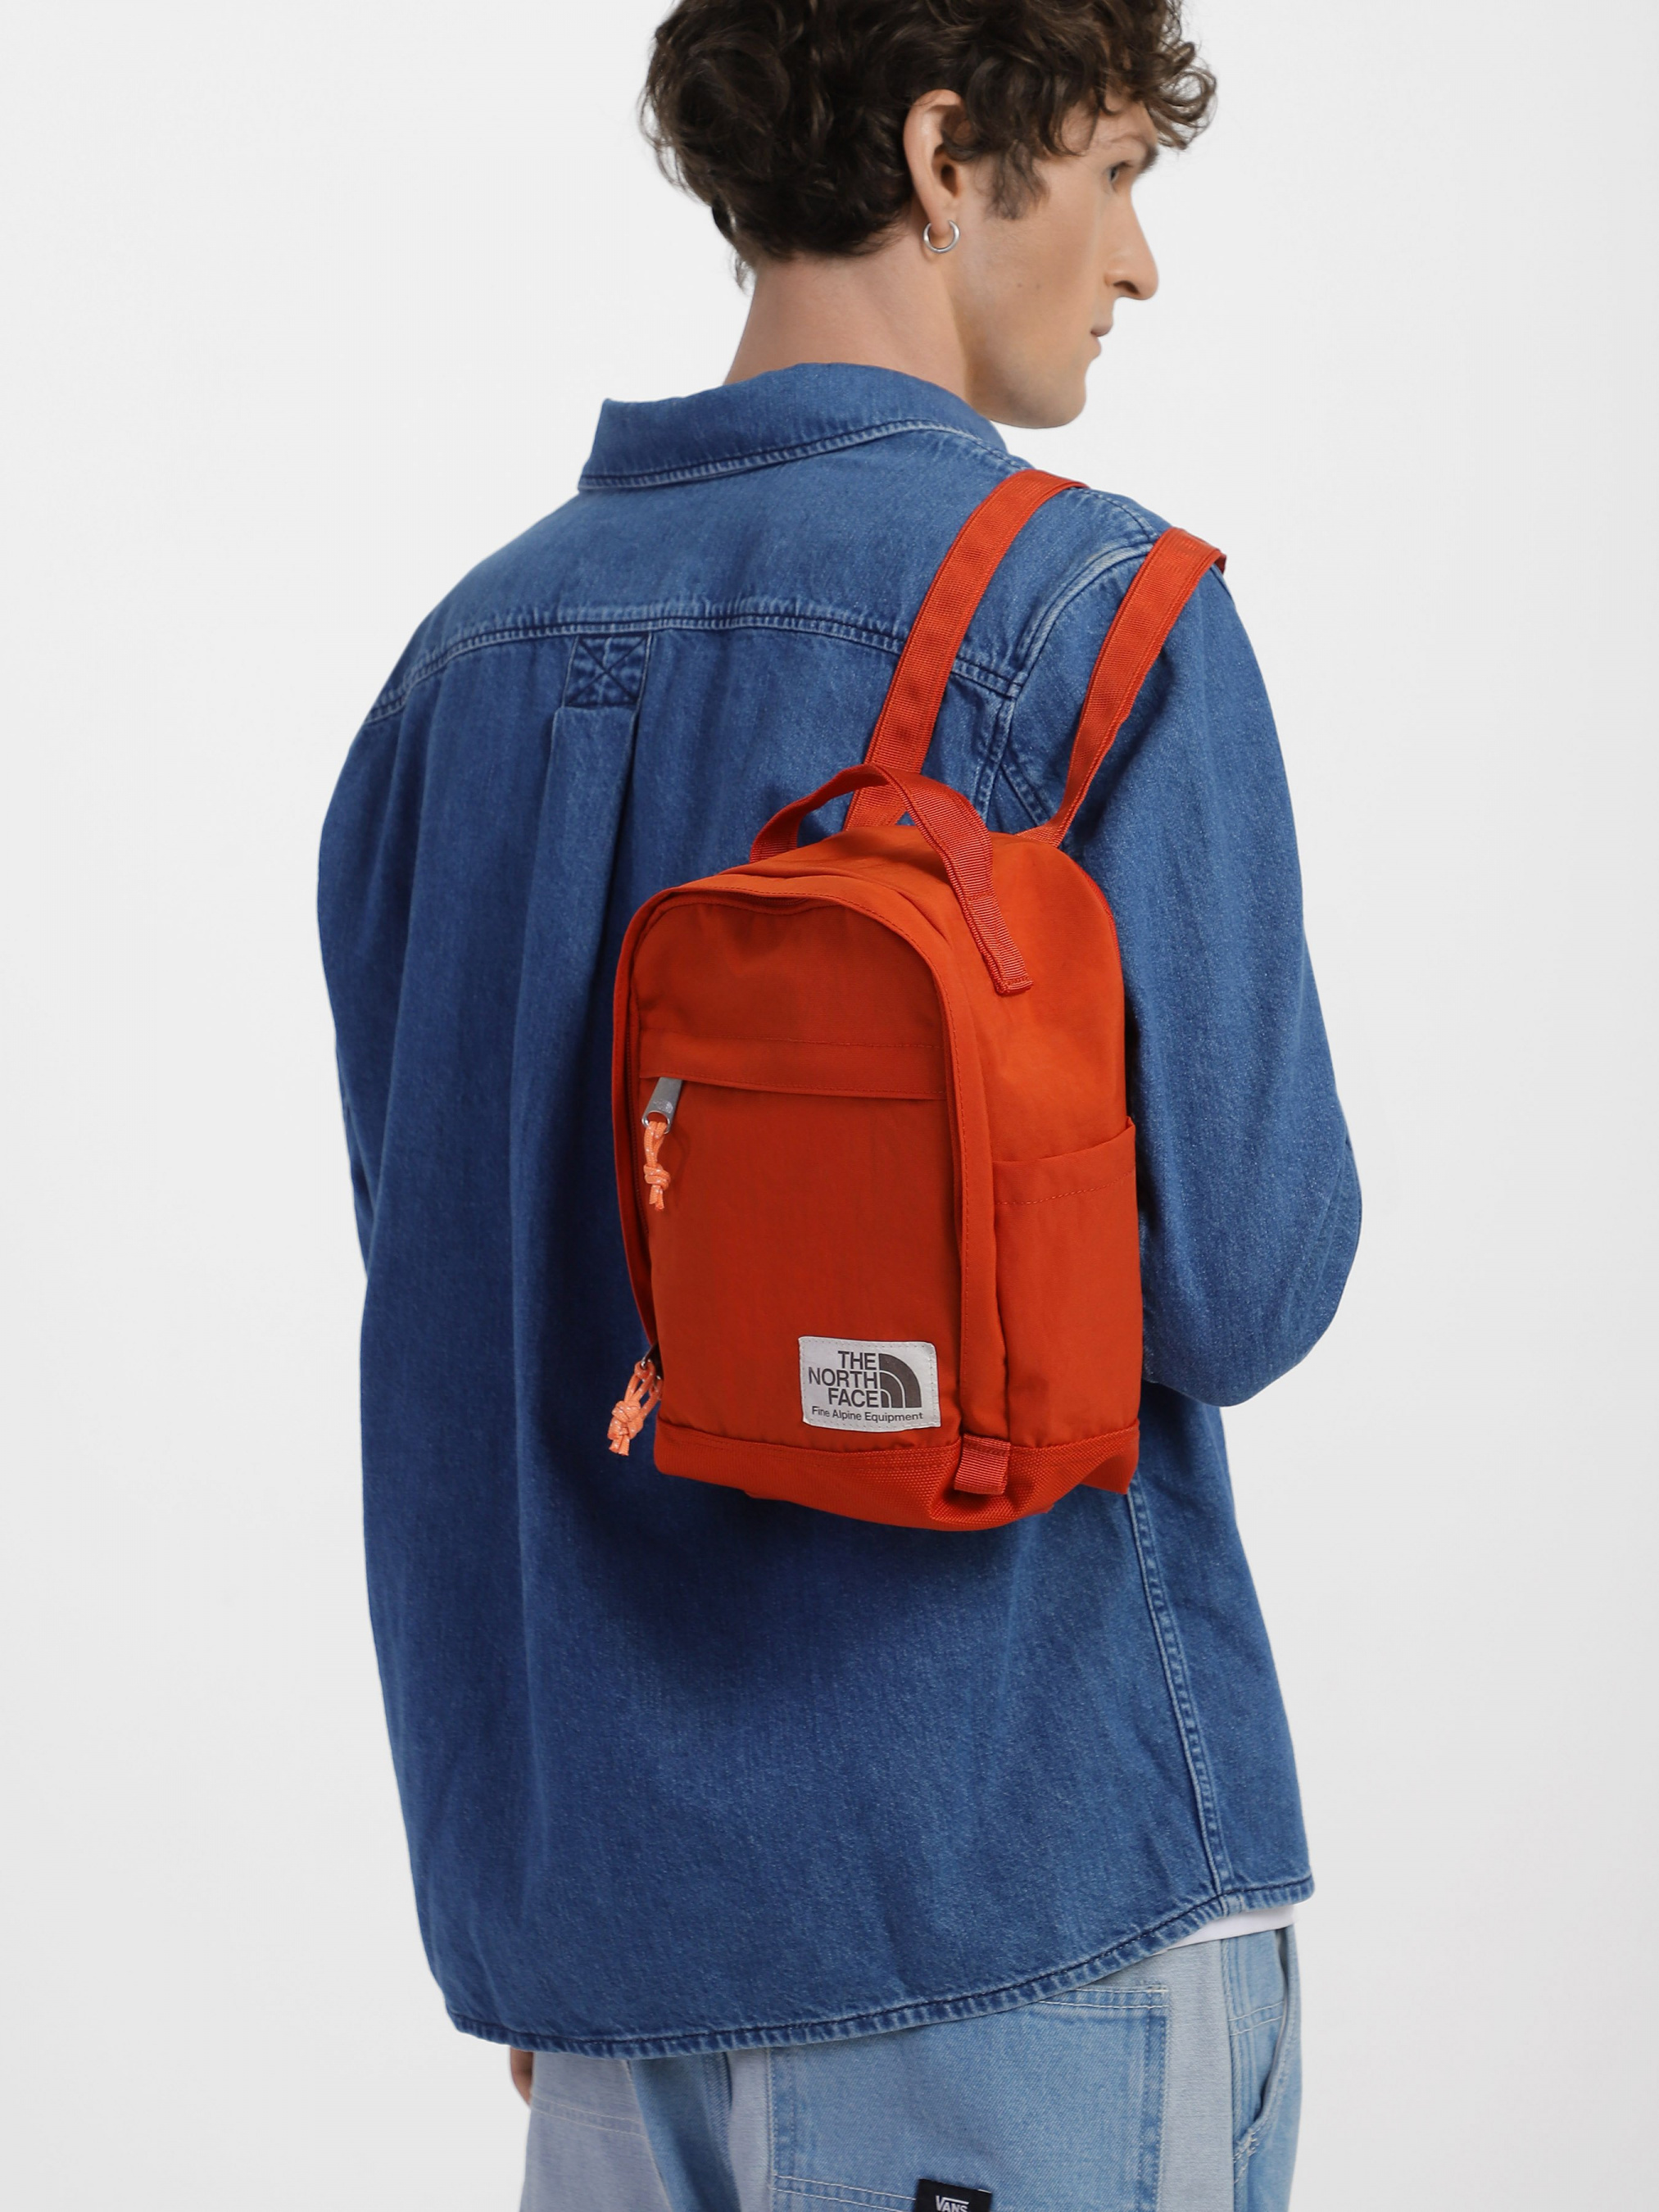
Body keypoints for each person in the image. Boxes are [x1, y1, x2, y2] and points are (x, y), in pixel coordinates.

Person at [318, 3, 1360, 2205]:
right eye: (1111, 175)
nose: (1140, 261)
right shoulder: (1098, 621)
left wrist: (557, 1921)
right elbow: (1246, 1284)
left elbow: (460, 1340)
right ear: (945, 152)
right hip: (1016, 1912)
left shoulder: (448, 679)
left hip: (602, 1956)